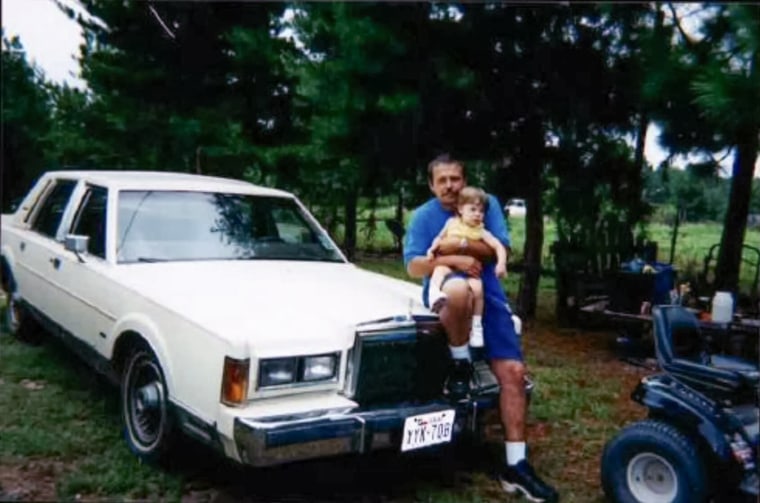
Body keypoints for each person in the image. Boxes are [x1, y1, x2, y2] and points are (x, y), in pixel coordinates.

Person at [403, 154, 559, 503]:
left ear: (464, 179)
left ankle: (516, 466)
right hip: (449, 296)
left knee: (515, 373)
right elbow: (415, 266)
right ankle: (461, 362)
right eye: (441, 180)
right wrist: (454, 258)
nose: (449, 186)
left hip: (489, 298)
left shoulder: (484, 205)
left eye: (455, 178)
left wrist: (455, 248)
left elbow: (498, 249)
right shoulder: (424, 216)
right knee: (458, 288)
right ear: (431, 185)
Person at [425, 186, 508, 348]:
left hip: (470, 272)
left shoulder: (481, 231)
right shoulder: (451, 223)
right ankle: (433, 294)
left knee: (478, 289)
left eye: (481, 211)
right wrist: (431, 249)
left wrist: (501, 264)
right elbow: (439, 238)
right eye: (473, 209)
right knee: (439, 270)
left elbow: (498, 246)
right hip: (450, 266)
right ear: (460, 209)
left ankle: (477, 326)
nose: (478, 214)